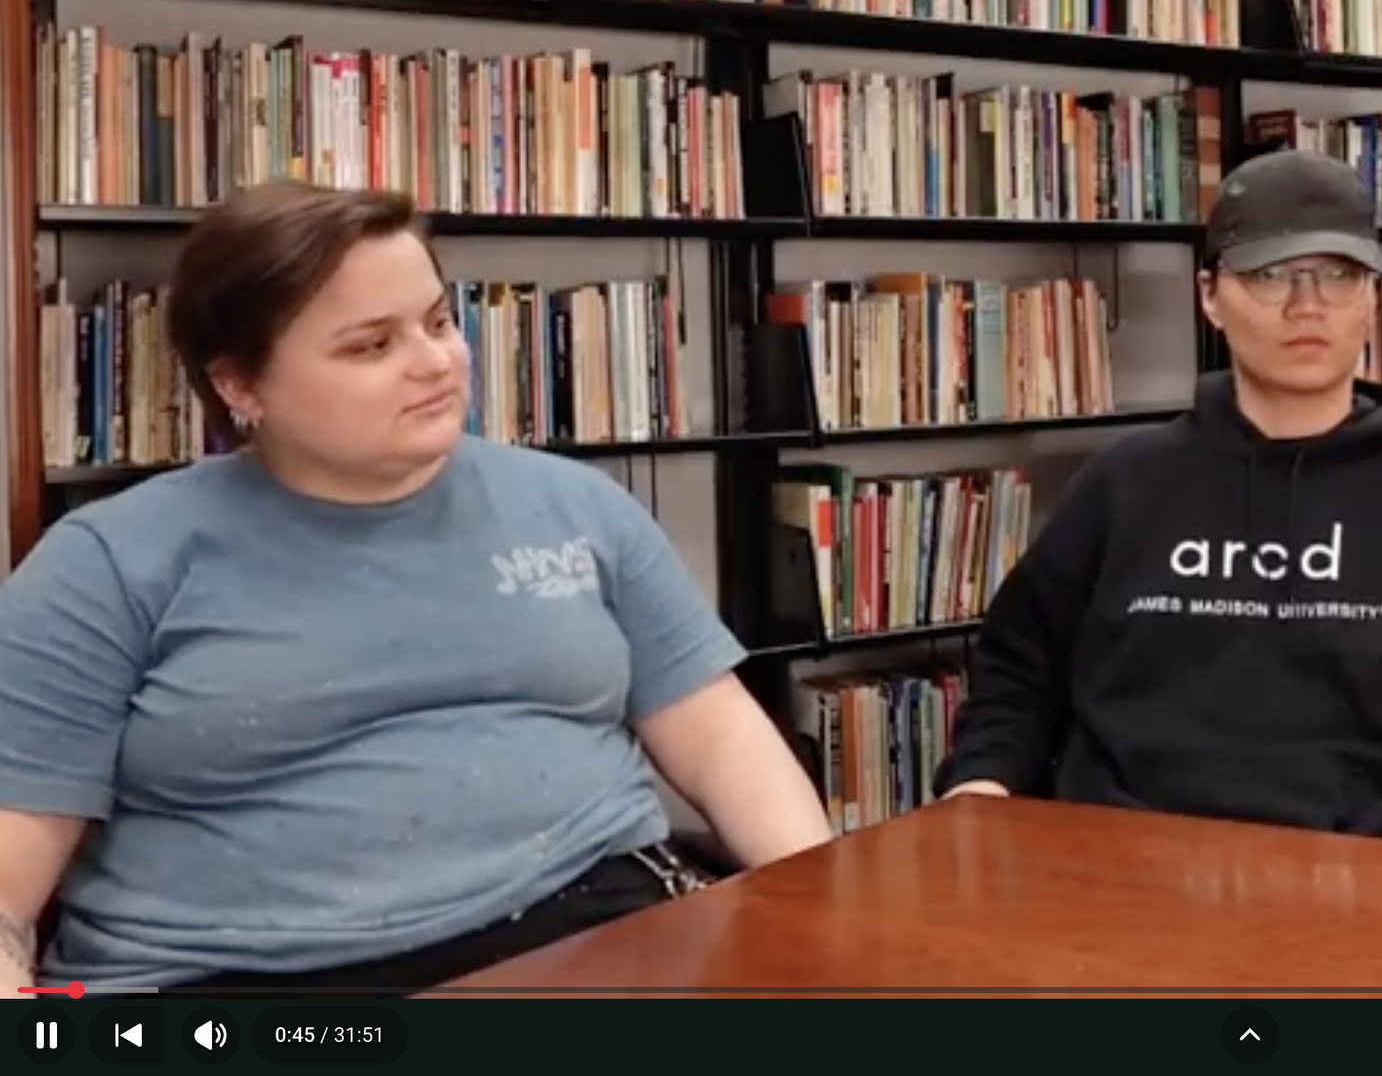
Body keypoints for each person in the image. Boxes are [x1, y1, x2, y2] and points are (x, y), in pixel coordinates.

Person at [0, 182, 831, 995]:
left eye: (438, 322)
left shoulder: (576, 505)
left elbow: (720, 737)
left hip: (593, 927)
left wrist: (826, 910)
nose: (436, 362)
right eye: (371, 345)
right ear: (240, 386)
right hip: (240, 979)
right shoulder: (106, 565)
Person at [935, 147, 1382, 854]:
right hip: (1125, 874)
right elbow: (1015, 676)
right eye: (1270, 275)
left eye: (1339, 275)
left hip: (1373, 882)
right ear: (1209, 295)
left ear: (1374, 299)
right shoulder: (1121, 488)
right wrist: (981, 790)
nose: (1308, 305)